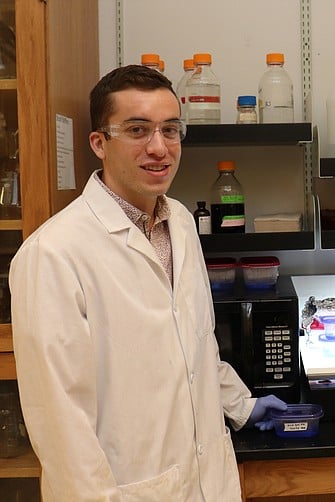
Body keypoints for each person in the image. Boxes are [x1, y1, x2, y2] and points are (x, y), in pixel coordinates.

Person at [9, 64, 286, 501]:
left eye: (170, 130)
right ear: (99, 143)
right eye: (138, 130)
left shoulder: (179, 222)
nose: (159, 148)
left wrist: (241, 405)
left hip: (207, 481)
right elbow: (62, 424)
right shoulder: (53, 254)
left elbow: (196, 344)